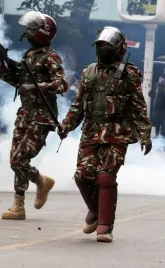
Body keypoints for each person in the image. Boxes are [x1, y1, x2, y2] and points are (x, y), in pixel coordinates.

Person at [58, 26, 152, 243]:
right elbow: (78, 105)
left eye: (108, 46)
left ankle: (105, 226)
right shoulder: (88, 72)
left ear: (119, 49)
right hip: (91, 132)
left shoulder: (129, 73)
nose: (103, 50)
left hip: (117, 133)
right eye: (100, 46)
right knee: (83, 175)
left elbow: (138, 106)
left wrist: (145, 134)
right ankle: (96, 210)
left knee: (105, 176)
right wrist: (66, 126)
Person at [0, 11, 68, 220]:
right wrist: (3, 70)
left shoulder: (50, 57)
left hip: (41, 117)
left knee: (19, 159)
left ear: (42, 33)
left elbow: (62, 83)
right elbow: (21, 85)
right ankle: (31, 192)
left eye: (32, 29)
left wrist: (40, 87)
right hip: (25, 115)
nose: (28, 32)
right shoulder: (28, 56)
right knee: (14, 160)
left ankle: (29, 195)